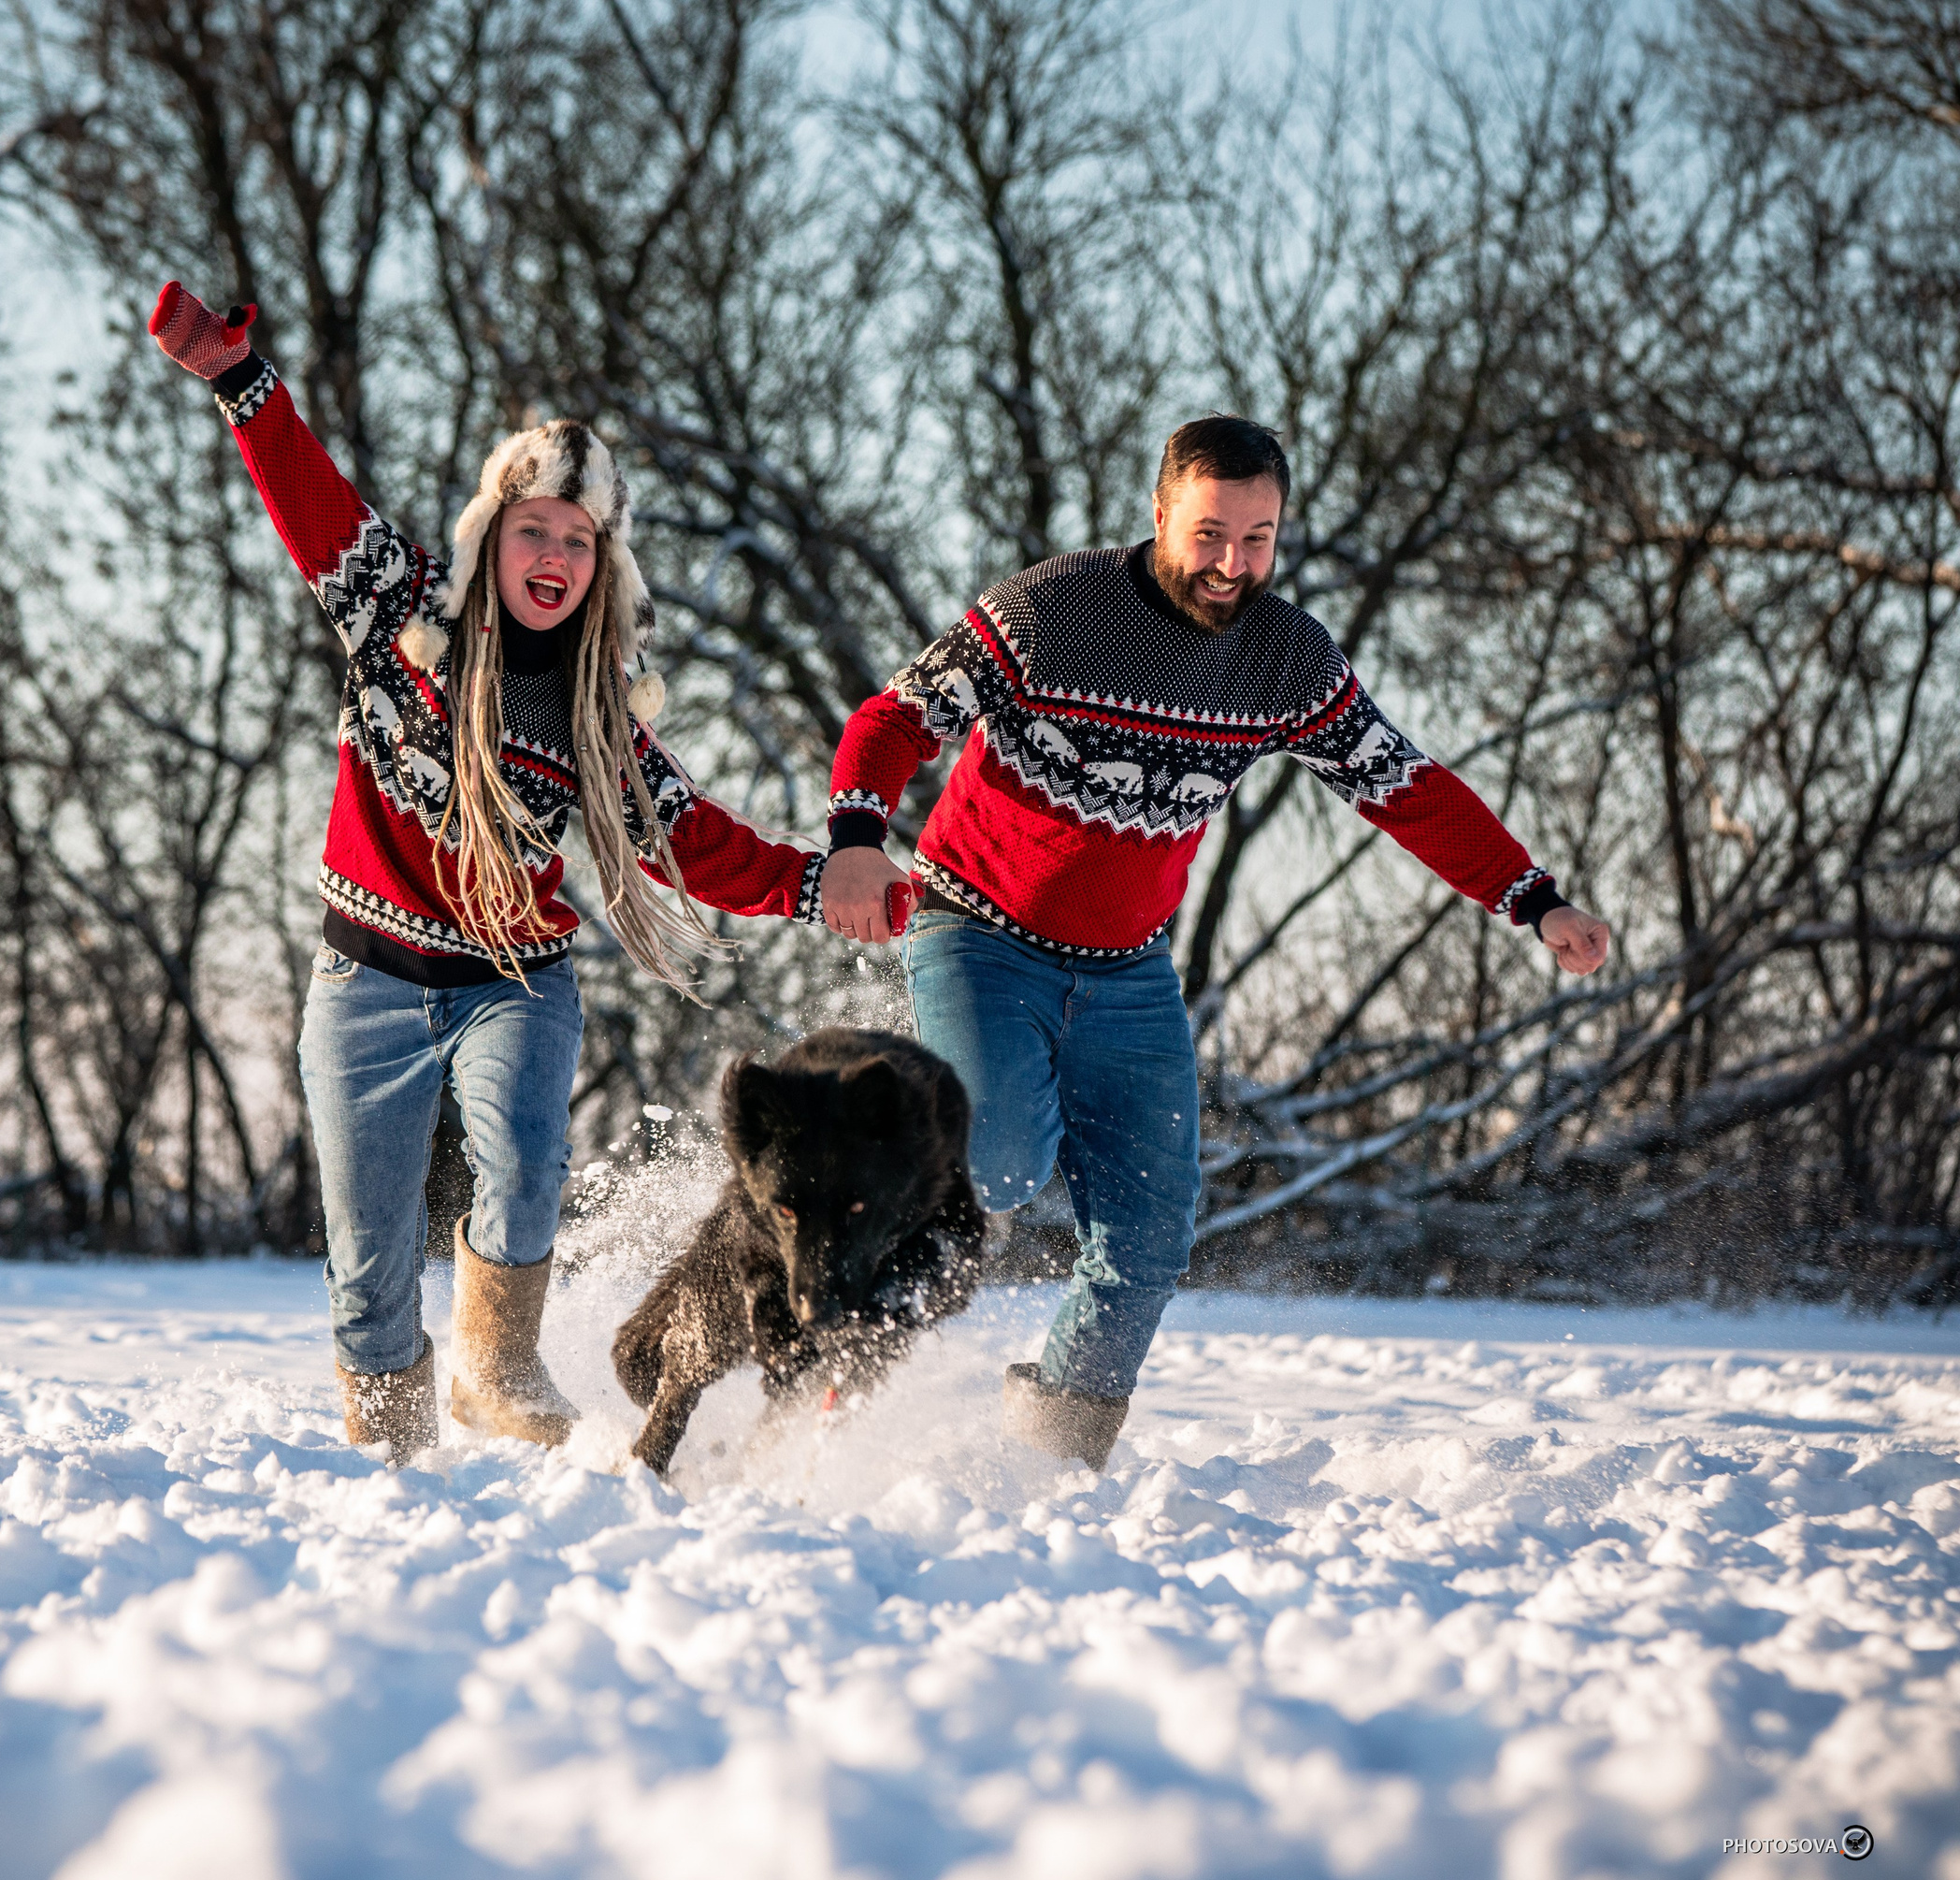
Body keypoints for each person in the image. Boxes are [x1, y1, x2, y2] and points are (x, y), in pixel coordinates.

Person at [818, 414, 1612, 1468]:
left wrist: (1533, 896)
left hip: (1128, 973)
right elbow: (897, 715)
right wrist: (858, 838)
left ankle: (1051, 1455)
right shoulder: (1048, 610)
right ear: (1159, 514)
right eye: (1208, 533)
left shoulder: (1284, 659)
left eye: (1257, 537)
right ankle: (831, 1342)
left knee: (1150, 1227)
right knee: (997, 1168)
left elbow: (1404, 786)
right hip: (979, 931)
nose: (1230, 564)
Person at [149, 283, 826, 1465]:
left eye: (579, 539)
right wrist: (242, 384)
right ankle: (394, 1467)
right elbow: (310, 501)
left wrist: (828, 886)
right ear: (491, 536)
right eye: (535, 530)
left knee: (521, 1162)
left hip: (513, 977)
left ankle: (499, 1363)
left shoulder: (593, 714)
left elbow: (694, 836)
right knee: (366, 1264)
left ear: (601, 564)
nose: (554, 555)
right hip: (359, 986)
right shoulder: (399, 614)